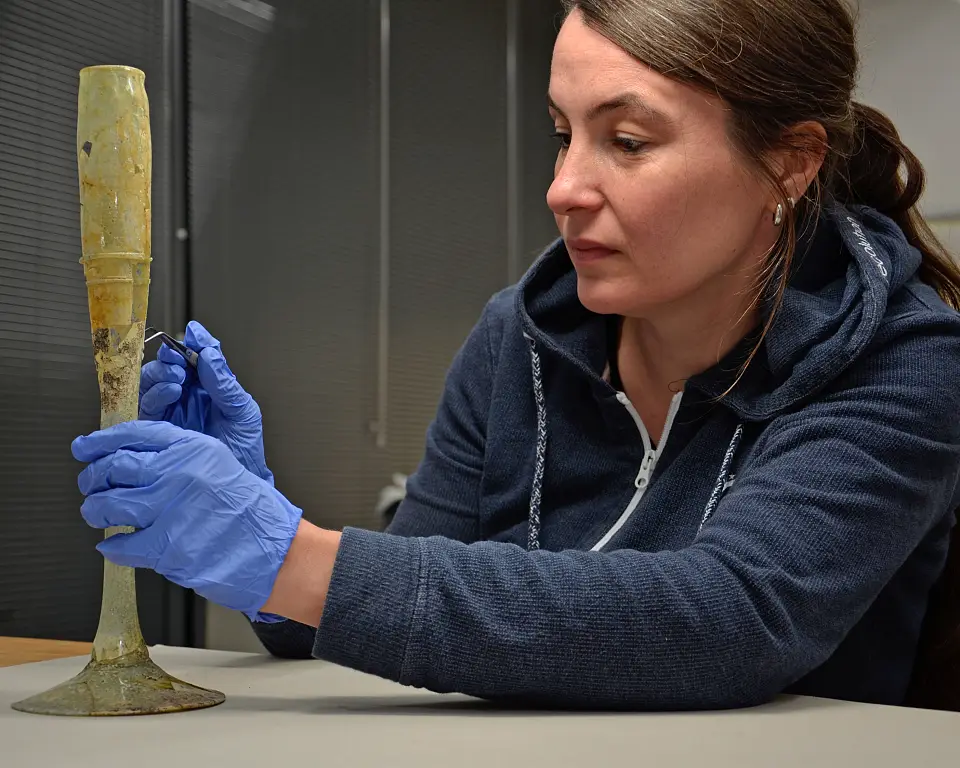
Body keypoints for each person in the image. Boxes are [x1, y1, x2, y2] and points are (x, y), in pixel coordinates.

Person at [71, 0, 960, 710]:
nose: (563, 188)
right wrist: (261, 531)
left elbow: (731, 619)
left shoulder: (903, 358)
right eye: (563, 134)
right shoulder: (521, 335)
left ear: (792, 163)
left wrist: (295, 560)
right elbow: (394, 597)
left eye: (628, 141)